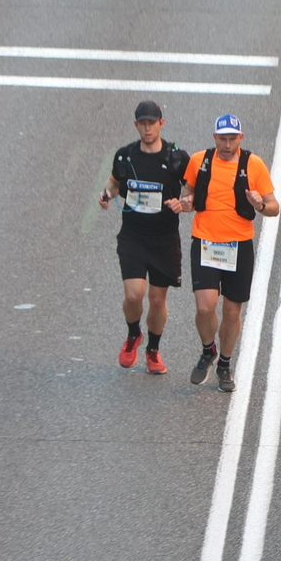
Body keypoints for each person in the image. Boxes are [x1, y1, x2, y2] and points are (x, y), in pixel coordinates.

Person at [177, 114, 279, 393]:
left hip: (238, 246)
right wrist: (185, 203)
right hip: (205, 242)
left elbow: (274, 207)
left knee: (232, 312)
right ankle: (208, 350)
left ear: (240, 138)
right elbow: (188, 195)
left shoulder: (253, 164)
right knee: (205, 306)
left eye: (232, 139)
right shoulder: (199, 161)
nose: (226, 144)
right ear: (214, 137)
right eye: (222, 139)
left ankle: (224, 363)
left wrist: (259, 204)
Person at [100, 100, 188, 375]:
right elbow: (115, 181)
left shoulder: (176, 158)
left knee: (158, 300)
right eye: (142, 123)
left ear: (162, 123)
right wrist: (107, 194)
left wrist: (184, 203)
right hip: (133, 237)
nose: (147, 128)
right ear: (136, 125)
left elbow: (193, 190)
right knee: (134, 294)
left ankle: (153, 350)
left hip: (164, 239)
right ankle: (132, 334)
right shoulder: (125, 156)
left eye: (152, 123)